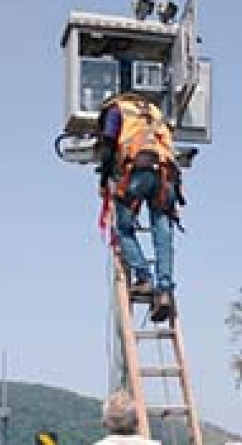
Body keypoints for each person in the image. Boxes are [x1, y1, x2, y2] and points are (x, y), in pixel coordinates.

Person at [96, 93, 186, 323]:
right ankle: (165, 289)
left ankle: (144, 277)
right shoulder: (155, 113)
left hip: (136, 172)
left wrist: (104, 177)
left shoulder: (116, 111)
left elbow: (107, 146)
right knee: (163, 233)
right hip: (166, 176)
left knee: (124, 229)